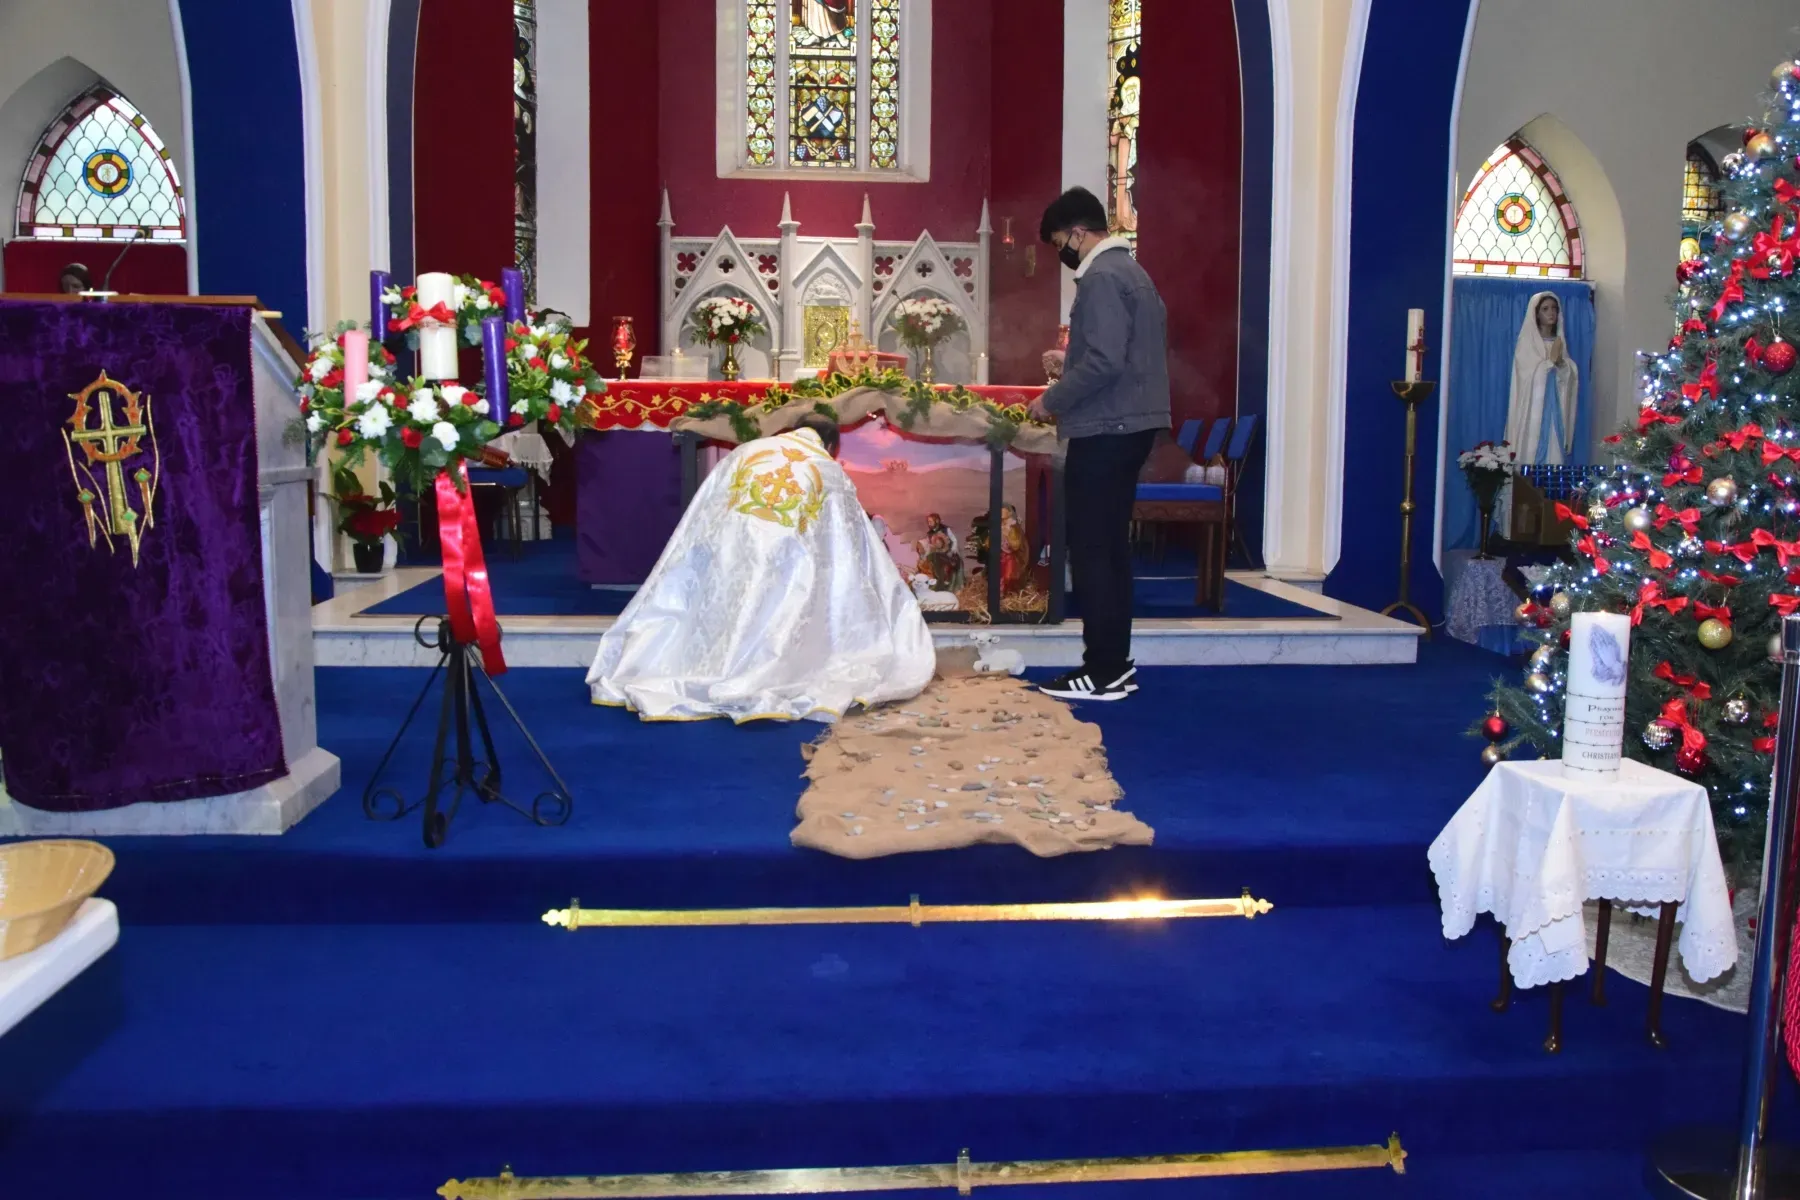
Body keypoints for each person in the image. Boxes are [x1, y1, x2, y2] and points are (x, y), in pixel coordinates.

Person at [587, 413, 935, 723]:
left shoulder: (746, 452)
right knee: (785, 603)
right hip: (785, 564)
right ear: (830, 445)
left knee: (717, 604)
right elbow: (845, 544)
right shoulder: (827, 469)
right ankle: (755, 673)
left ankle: (702, 666)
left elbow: (705, 507)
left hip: (730, 550)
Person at [1028, 186, 1169, 701]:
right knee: (1109, 550)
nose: (1060, 254)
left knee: (1093, 551)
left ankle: (1103, 670)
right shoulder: (1132, 272)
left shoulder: (1102, 277)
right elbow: (1127, 355)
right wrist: (1072, 363)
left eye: (1058, 244)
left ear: (1077, 233)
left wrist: (1052, 399)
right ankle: (1115, 665)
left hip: (1107, 428)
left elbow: (1107, 362)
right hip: (1129, 423)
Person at [1504, 292, 1578, 465]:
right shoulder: (1527, 342)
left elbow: (1569, 373)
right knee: (1532, 443)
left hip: (1556, 405)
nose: (1551, 313)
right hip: (1534, 407)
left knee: (1555, 444)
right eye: (1545, 309)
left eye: (1554, 308)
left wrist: (1562, 365)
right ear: (1536, 314)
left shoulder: (1559, 342)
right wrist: (1548, 364)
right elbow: (1525, 374)